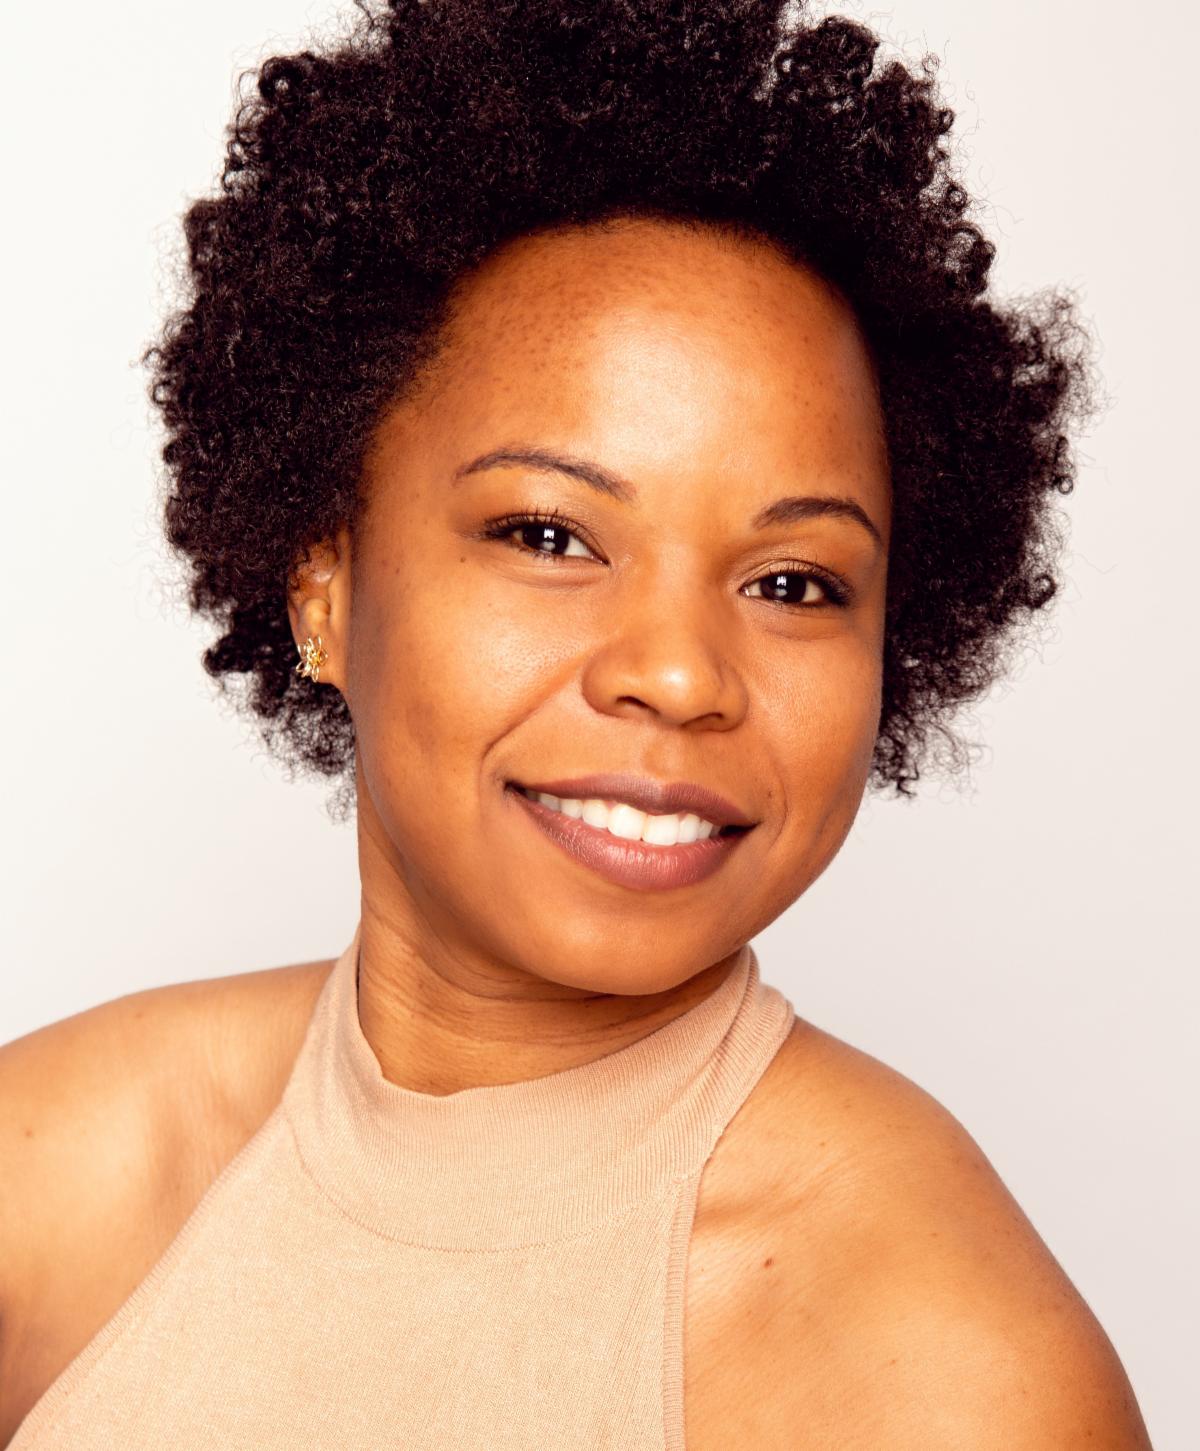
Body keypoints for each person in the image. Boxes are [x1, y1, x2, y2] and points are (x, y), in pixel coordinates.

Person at [0, 1, 1152, 1446]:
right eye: (549, 535)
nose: (678, 675)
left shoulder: (951, 1375)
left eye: (794, 581)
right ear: (324, 588)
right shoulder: (56, 1175)